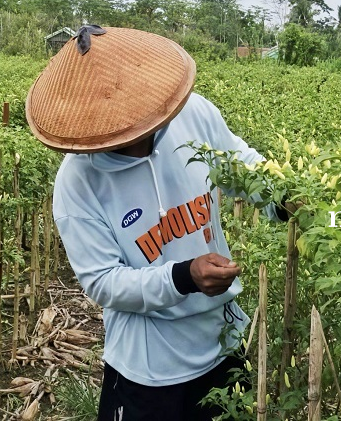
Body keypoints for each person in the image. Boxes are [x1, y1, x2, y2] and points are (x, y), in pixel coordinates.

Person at [25, 26, 288, 420]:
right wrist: (184, 276)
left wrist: (284, 197)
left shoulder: (193, 115)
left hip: (222, 344)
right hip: (147, 370)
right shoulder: (77, 183)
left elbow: (242, 167)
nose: (129, 132)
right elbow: (103, 281)